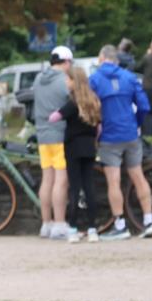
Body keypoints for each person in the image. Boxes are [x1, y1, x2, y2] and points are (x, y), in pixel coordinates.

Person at [89, 45, 152, 240]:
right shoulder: (129, 77)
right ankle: (149, 221)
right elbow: (143, 105)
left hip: (109, 135)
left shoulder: (94, 80)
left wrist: (96, 128)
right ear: (116, 60)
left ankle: (120, 224)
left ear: (101, 58)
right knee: (138, 176)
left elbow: (91, 109)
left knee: (113, 181)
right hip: (130, 133)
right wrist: (137, 123)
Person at [49, 66, 101, 243]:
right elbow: (99, 127)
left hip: (73, 148)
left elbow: (54, 118)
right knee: (89, 187)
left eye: (67, 79)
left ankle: (73, 228)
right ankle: (93, 228)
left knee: (75, 188)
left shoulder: (72, 103)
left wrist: (56, 112)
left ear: (74, 82)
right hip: (89, 147)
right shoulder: (93, 100)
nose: (65, 81)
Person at [32, 46, 72, 240]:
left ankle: (45, 224)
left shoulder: (38, 79)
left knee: (46, 179)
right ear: (65, 62)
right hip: (59, 135)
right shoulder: (64, 81)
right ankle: (59, 223)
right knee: (61, 180)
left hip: (42, 136)